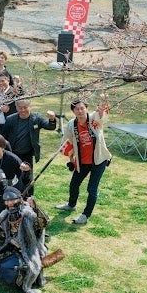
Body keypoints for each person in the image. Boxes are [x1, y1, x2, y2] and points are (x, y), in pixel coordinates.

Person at [0, 186, 48, 293]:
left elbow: (43, 223)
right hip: (12, 249)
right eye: (7, 201)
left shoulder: (29, 214)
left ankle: (28, 276)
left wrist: (36, 208)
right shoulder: (5, 215)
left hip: (29, 251)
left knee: (6, 270)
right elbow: (6, 235)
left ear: (20, 199)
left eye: (12, 200)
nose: (9, 203)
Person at [55, 96, 112, 224]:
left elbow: (102, 115)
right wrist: (71, 159)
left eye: (82, 108)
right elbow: (68, 142)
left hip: (99, 160)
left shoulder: (93, 119)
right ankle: (71, 204)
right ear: (73, 111)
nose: (80, 111)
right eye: (77, 109)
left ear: (86, 108)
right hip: (82, 161)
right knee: (74, 184)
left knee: (92, 189)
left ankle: (85, 215)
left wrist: (103, 101)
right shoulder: (72, 124)